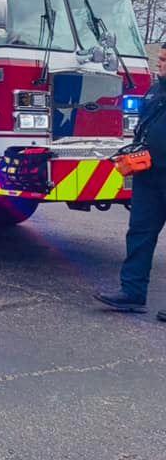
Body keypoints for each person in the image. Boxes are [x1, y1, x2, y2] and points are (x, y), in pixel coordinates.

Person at [95, 44, 166, 320]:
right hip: (148, 173)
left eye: (164, 60)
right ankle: (132, 292)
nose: (159, 64)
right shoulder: (156, 90)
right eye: (159, 59)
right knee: (139, 233)